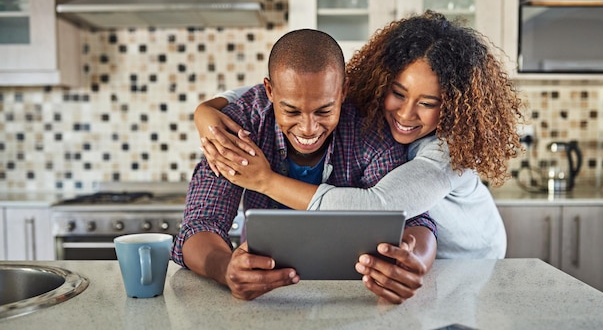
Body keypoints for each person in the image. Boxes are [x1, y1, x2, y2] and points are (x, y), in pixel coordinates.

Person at [196, 11, 525, 260]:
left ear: (453, 103)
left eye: (427, 103)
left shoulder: (447, 152)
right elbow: (291, 94)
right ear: (382, 81)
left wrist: (264, 181)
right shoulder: (364, 114)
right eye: (398, 93)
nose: (405, 113)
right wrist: (209, 109)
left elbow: (377, 206)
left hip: (472, 260)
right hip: (416, 260)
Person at [173, 28, 438, 304]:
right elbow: (201, 223)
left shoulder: (370, 126)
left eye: (324, 110)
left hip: (352, 296)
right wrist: (226, 269)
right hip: (266, 297)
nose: (308, 128)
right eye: (292, 111)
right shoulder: (240, 124)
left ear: (343, 91)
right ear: (269, 91)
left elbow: (415, 219)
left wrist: (412, 260)